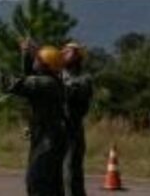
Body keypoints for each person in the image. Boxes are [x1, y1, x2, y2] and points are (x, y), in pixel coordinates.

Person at [6, 40, 68, 196]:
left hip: (48, 140)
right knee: (52, 185)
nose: (35, 61)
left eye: (38, 59)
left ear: (45, 65)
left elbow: (15, 85)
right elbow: (29, 77)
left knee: (37, 182)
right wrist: (26, 55)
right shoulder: (50, 81)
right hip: (50, 137)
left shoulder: (45, 83)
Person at [60, 43, 93, 196]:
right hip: (55, 134)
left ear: (78, 57)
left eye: (69, 51)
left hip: (71, 132)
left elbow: (70, 92)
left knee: (71, 175)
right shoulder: (57, 75)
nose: (63, 52)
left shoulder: (84, 79)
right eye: (63, 50)